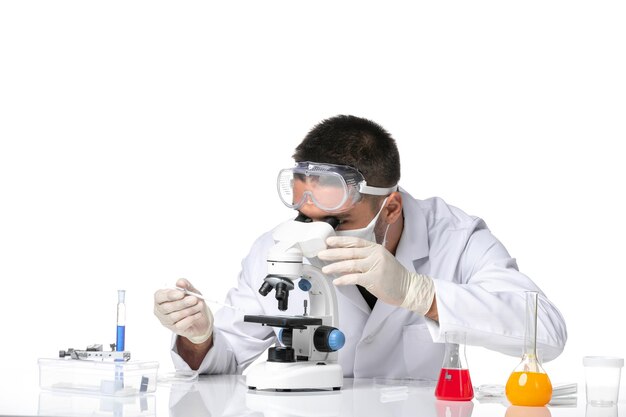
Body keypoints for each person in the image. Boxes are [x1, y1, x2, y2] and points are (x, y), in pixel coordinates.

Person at [154, 115, 567, 378]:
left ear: (390, 207)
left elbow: (546, 333)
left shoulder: (455, 238)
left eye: (336, 223)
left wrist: (420, 294)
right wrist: (199, 336)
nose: (315, 235)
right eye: (306, 218)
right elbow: (223, 358)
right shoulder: (276, 247)